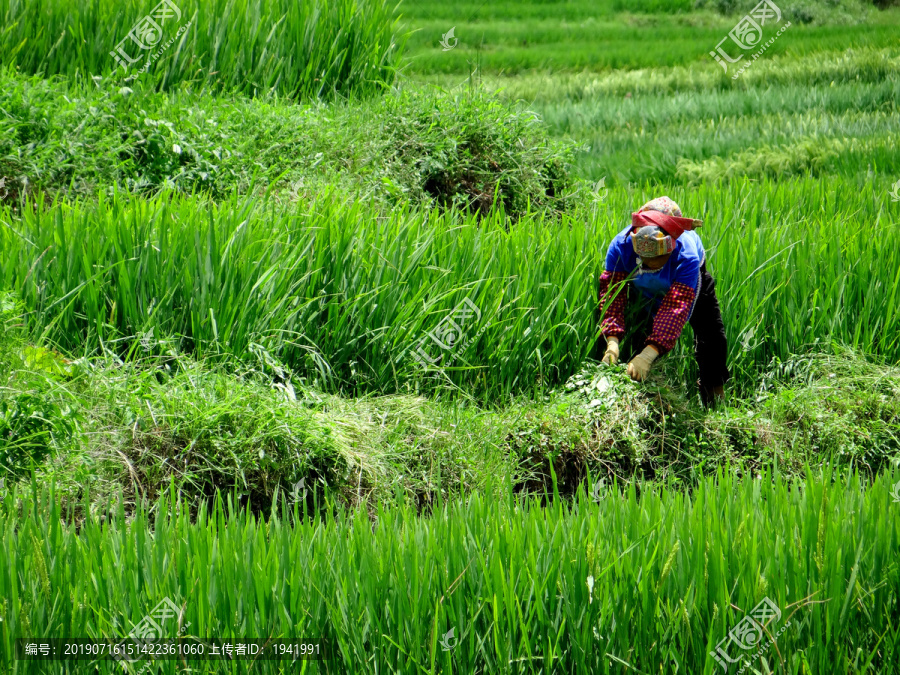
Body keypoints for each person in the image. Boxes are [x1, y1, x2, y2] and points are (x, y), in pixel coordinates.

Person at [597, 196, 730, 406]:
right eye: (644, 258)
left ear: (671, 246)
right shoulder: (620, 247)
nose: (649, 263)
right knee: (641, 336)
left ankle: (715, 399)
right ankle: (645, 402)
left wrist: (648, 356)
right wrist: (612, 344)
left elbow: (675, 309)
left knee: (711, 337)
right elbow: (613, 297)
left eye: (656, 259)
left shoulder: (687, 256)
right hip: (641, 289)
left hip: (685, 285)